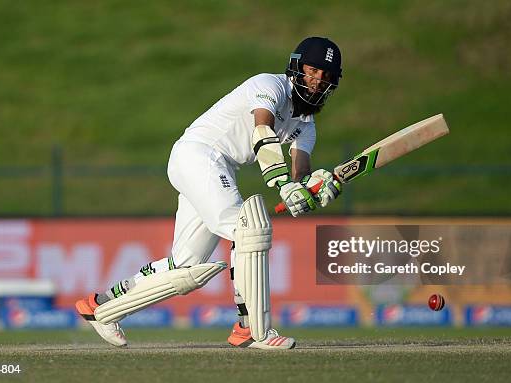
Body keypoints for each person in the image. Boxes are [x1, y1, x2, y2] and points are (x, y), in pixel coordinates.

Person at [76, 36, 343, 350]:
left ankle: (101, 306)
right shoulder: (269, 85)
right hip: (200, 155)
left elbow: (299, 175)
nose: (317, 81)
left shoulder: (306, 125)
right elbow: (262, 129)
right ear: (296, 67)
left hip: (215, 168)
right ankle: (252, 329)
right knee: (249, 230)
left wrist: (316, 190)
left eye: (326, 76)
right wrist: (283, 185)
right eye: (313, 71)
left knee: (186, 267)